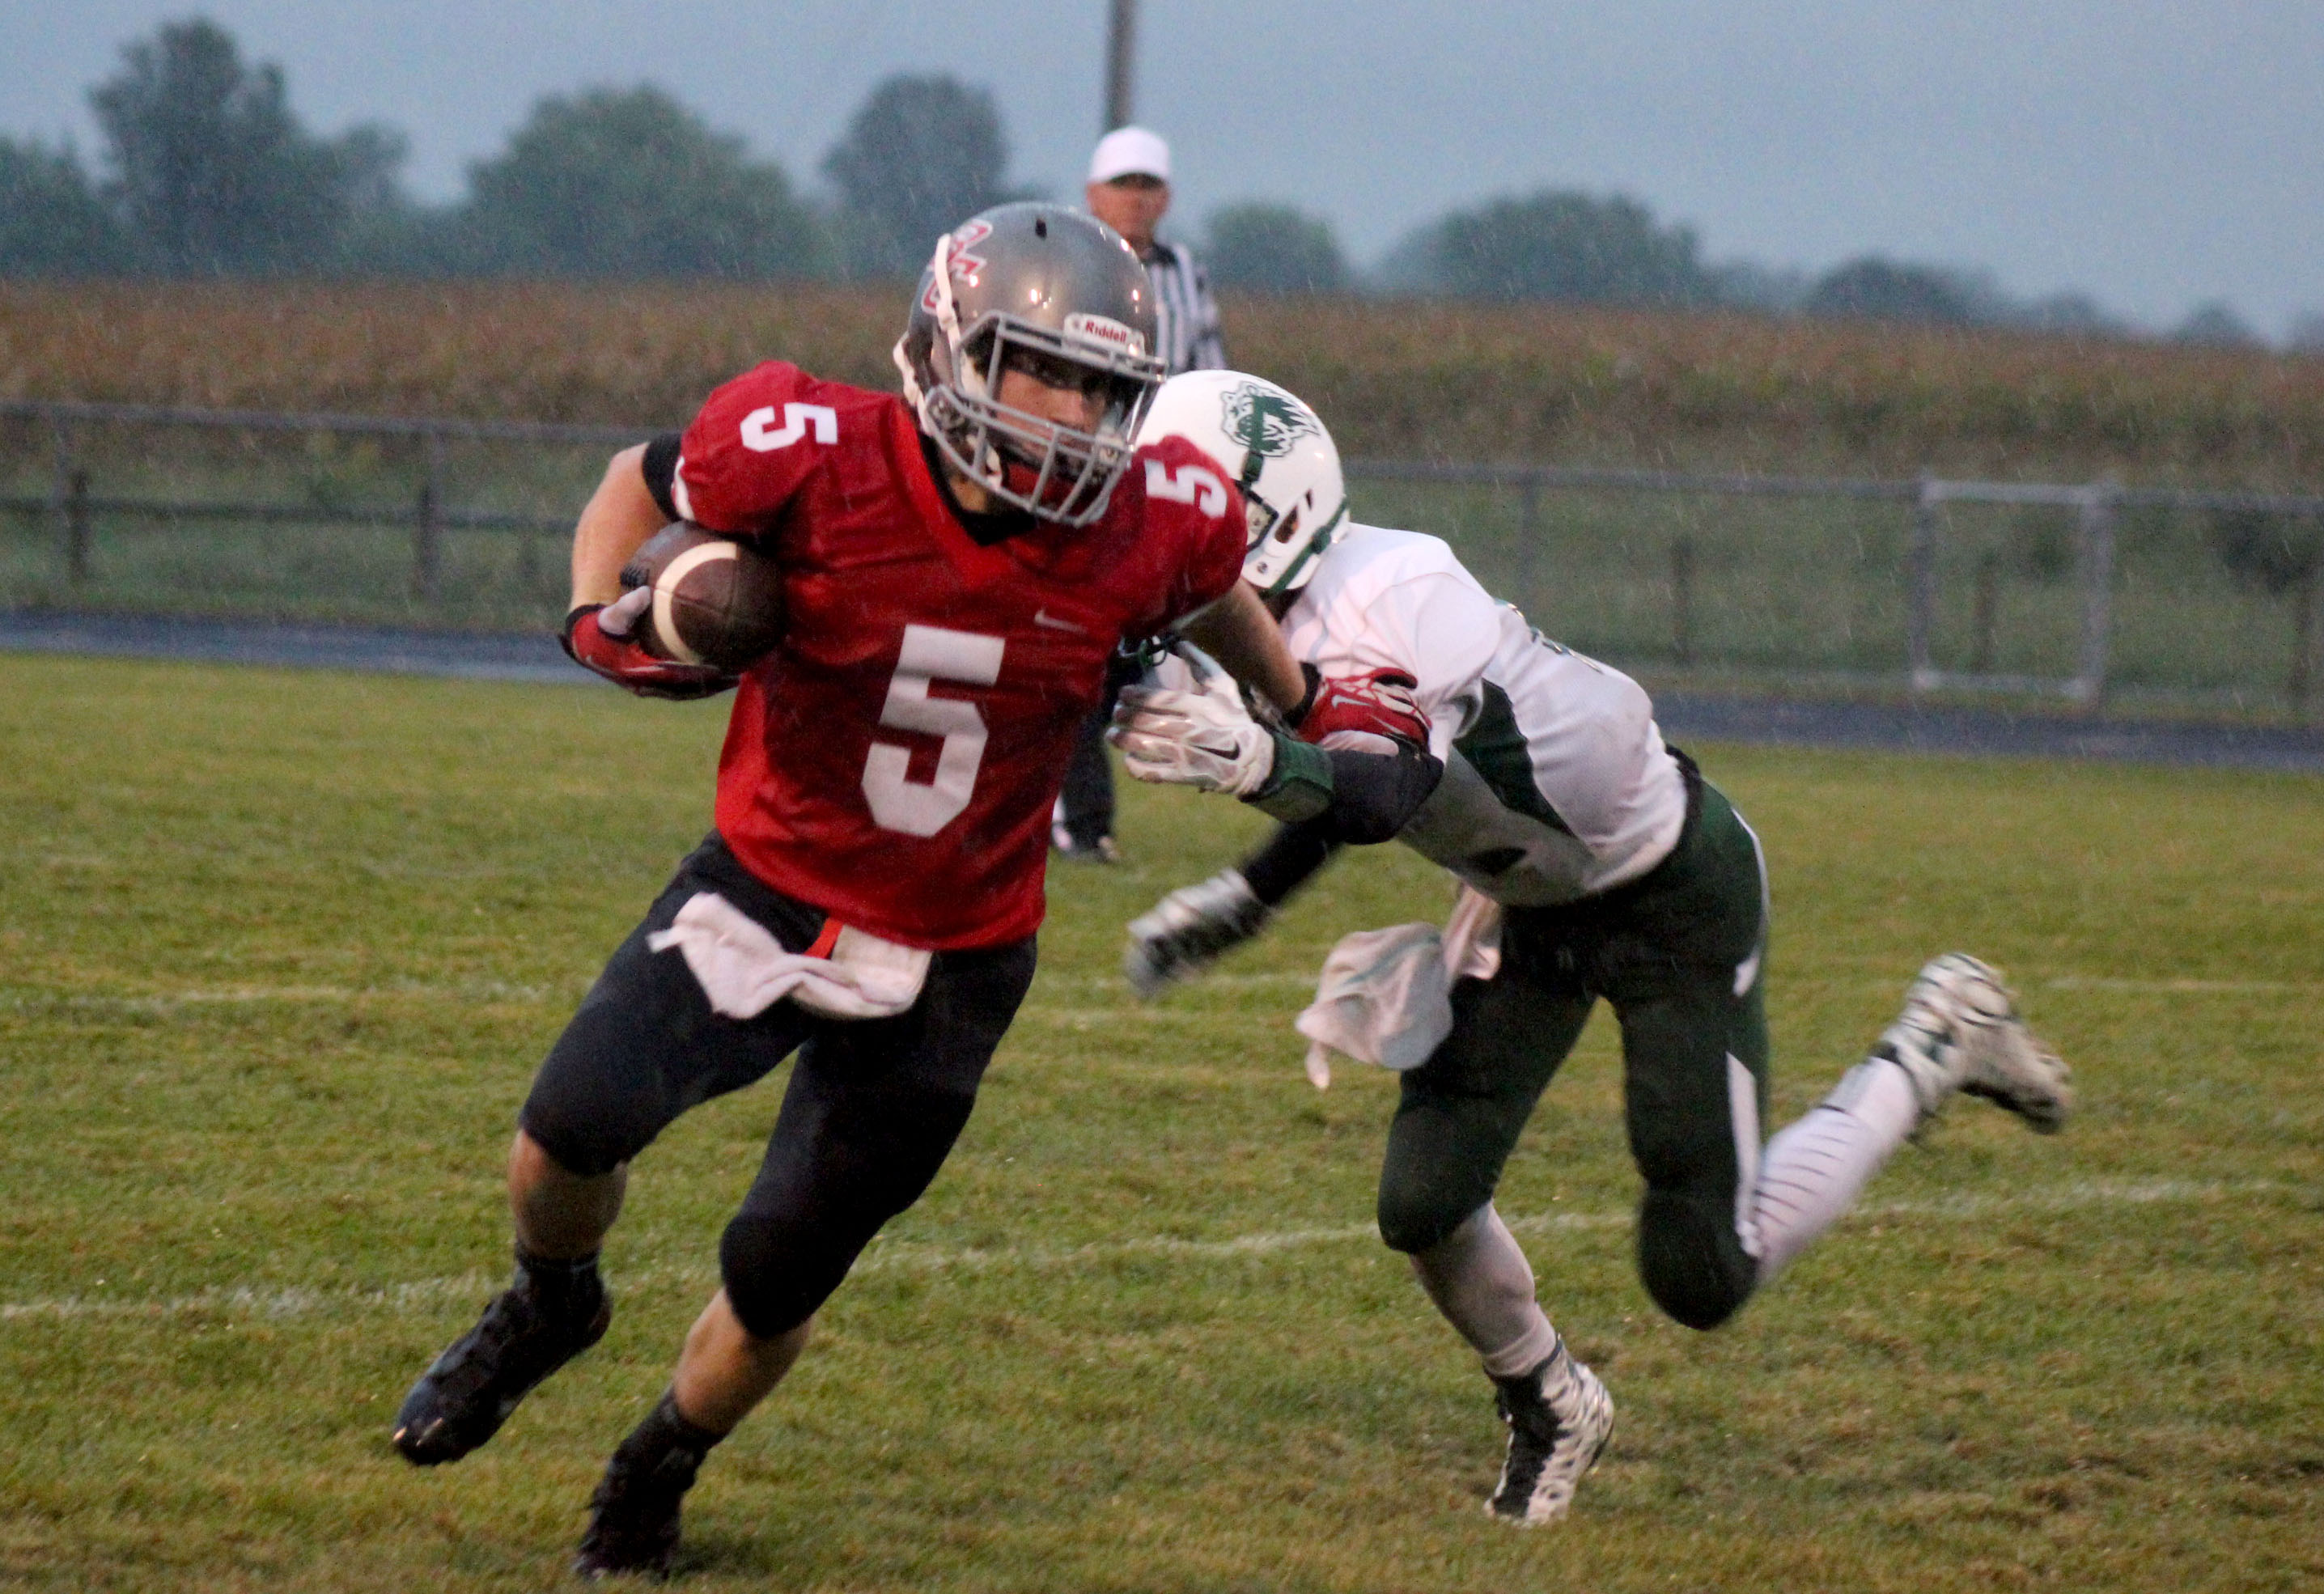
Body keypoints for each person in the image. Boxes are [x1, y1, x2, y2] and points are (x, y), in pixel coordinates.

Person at [386, 205, 1313, 1579]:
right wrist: (595, 622)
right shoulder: (805, 446)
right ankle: (551, 1300)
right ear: (947, 348)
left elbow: (1214, 585)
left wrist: (1299, 697)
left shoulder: (1157, 513)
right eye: (1042, 371)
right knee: (563, 1131)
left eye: (1101, 387)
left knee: (778, 1271)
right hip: (767, 884)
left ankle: (656, 1468)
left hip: (956, 956)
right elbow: (635, 482)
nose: (1075, 415)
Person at [1108, 371, 2078, 1528]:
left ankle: (1933, 1041)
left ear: (1267, 521)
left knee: (1701, 1269)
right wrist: (1244, 896)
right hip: (1527, 905)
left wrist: (1261, 768)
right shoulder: (1264, 620)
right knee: (1423, 1200)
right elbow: (1333, 752)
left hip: (1670, 890)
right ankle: (1554, 1401)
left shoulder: (1398, 590)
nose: (1152, 536)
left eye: (1181, 508)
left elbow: (1378, 784)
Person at [1051, 125, 1232, 863]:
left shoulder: (1185, 273)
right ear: (1092, 193)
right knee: (1081, 655)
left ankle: (1066, 807)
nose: (1134, 198)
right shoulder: (1067, 260)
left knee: (1120, 656)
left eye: (1146, 185)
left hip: (1154, 489)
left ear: (1166, 197)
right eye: (1122, 184)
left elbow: (1211, 378)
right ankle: (1079, 821)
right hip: (1081, 482)